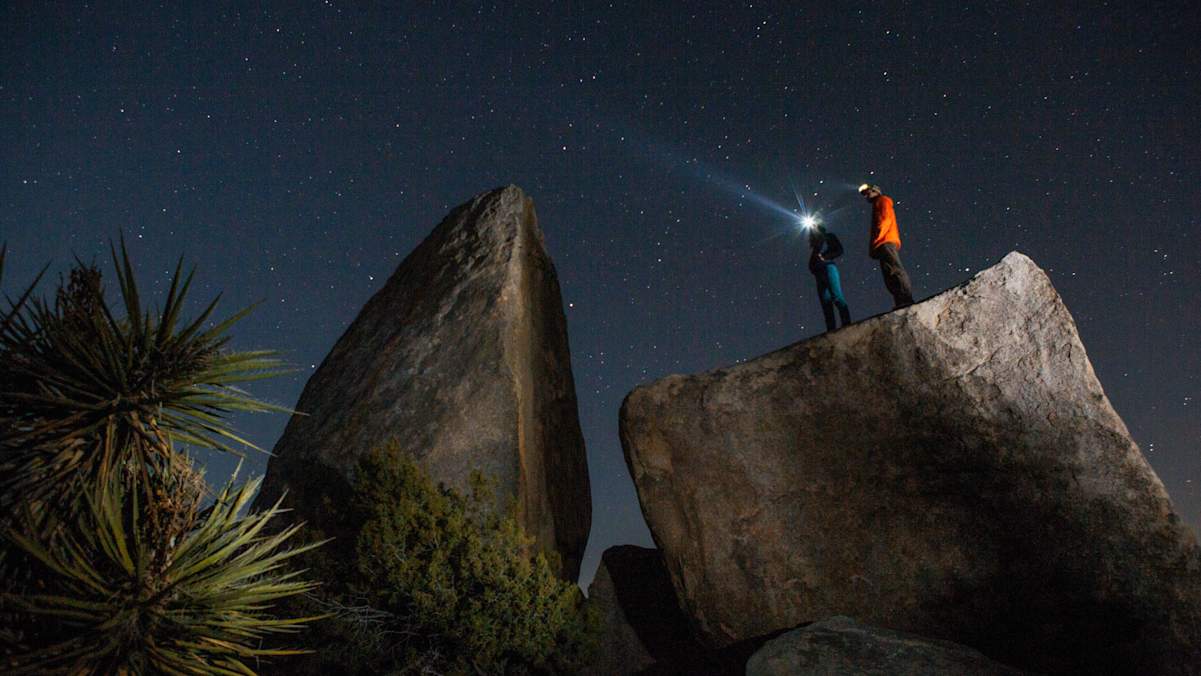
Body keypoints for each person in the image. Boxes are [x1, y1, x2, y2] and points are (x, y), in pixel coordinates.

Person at [858, 183, 915, 308]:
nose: (867, 195)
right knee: (889, 274)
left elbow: (885, 219)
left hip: (885, 241)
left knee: (895, 270)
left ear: (875, 191)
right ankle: (900, 301)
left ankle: (906, 299)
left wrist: (878, 238)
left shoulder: (882, 200)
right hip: (882, 243)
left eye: (868, 192)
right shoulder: (877, 203)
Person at [807, 224, 852, 332]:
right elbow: (813, 261)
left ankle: (847, 324)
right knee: (825, 303)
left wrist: (825, 257)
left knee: (836, 296)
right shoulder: (816, 245)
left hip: (828, 269)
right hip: (819, 274)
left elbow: (839, 250)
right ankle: (831, 330)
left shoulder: (828, 236)